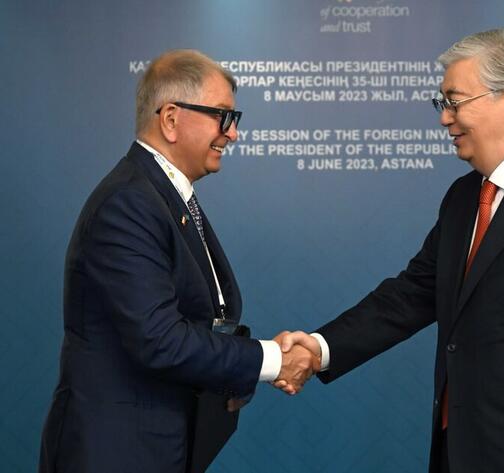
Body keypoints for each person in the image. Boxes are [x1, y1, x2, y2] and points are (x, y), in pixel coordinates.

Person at [278, 29, 504, 473]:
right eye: (442, 103)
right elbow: (412, 294)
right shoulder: (463, 196)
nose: (444, 119)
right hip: (457, 454)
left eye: (455, 102)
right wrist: (319, 348)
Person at [39, 49, 318, 473]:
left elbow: (203, 318)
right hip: (116, 454)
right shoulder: (129, 203)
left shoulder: (163, 196)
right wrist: (273, 359)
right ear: (170, 119)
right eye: (223, 116)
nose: (232, 134)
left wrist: (242, 366)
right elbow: (160, 340)